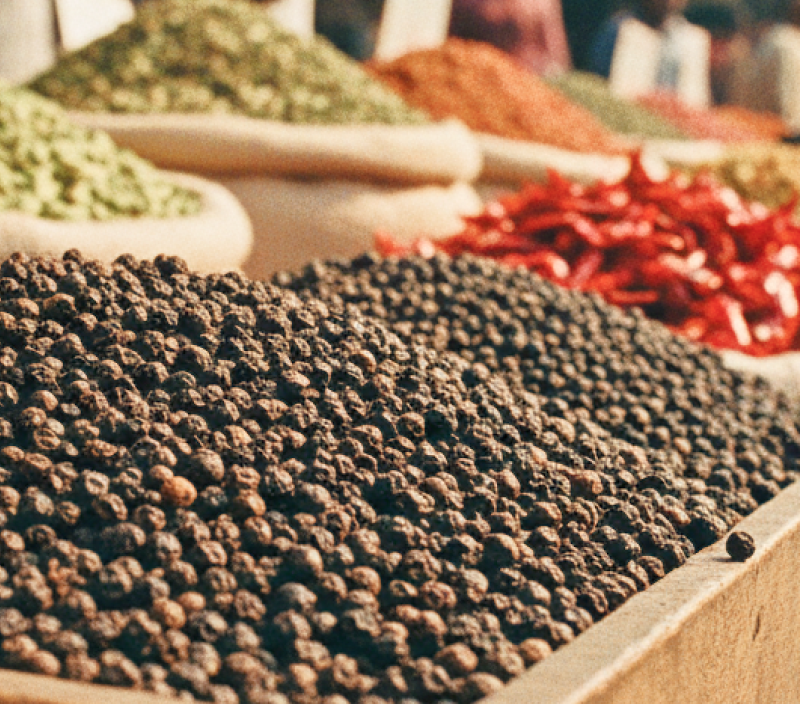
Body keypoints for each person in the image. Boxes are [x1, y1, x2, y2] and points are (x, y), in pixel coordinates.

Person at [588, 0, 712, 106]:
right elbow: (599, 87)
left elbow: (698, 98)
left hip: (681, 125)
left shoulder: (695, 39)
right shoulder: (619, 30)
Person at [448, 0, 571, 76]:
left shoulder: (542, 3)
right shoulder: (466, 4)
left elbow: (555, 47)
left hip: (532, 82)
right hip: (482, 81)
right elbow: (451, 46)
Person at [730, 0, 800, 130]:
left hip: (782, 137)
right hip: (757, 134)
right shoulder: (749, 46)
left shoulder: (783, 46)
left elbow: (788, 113)